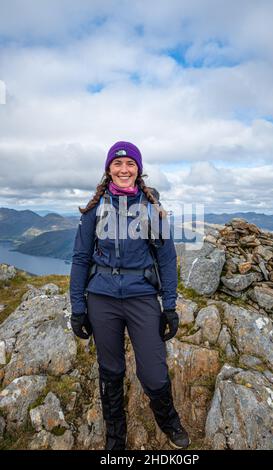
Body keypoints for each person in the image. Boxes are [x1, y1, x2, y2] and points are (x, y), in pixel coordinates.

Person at [69, 141, 190, 450]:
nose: (124, 169)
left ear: (138, 169)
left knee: (153, 370)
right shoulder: (95, 209)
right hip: (102, 299)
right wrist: (78, 307)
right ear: (109, 169)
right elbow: (81, 258)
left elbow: (166, 259)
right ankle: (115, 437)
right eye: (117, 164)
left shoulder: (151, 210)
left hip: (141, 297)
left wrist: (171, 306)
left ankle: (168, 421)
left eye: (130, 164)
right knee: (110, 370)